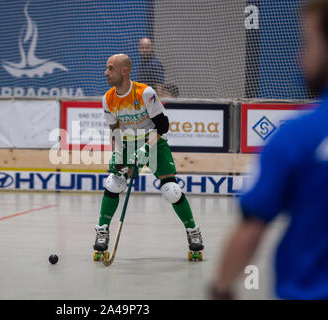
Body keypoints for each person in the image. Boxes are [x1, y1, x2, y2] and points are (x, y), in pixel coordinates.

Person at [210, 0, 328, 299]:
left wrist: (220, 290)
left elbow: (251, 230)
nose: (301, 57)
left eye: (307, 42)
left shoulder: (298, 135)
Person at [93, 53, 204, 259]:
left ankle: (193, 231)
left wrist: (145, 148)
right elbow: (115, 130)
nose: (106, 72)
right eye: (107, 68)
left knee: (171, 189)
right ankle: (102, 231)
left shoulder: (145, 93)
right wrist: (117, 156)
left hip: (153, 141)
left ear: (124, 71)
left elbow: (163, 125)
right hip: (127, 142)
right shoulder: (108, 98)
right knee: (114, 182)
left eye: (110, 68)